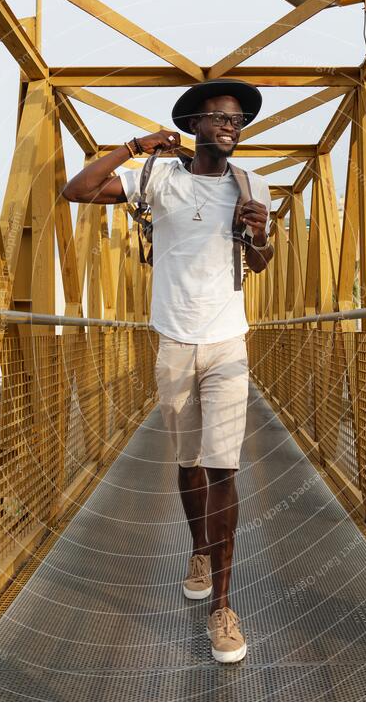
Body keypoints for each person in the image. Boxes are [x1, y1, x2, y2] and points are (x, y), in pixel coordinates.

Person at [62, 78, 274, 663]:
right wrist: (133, 146)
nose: (231, 126)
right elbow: (76, 190)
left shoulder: (251, 184)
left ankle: (223, 608)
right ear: (193, 124)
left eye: (238, 120)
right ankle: (198, 549)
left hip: (229, 341)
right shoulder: (157, 179)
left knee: (222, 467)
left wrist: (259, 234)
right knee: (188, 466)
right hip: (175, 341)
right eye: (220, 117)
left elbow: (261, 261)